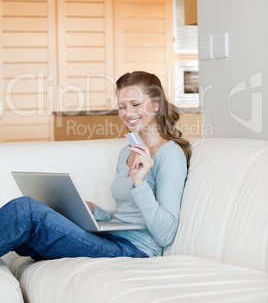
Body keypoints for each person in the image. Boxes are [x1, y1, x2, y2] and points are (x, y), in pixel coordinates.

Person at [0, 71, 191, 260]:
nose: (128, 113)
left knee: (27, 211)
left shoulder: (170, 154)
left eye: (136, 104)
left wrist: (139, 184)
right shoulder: (127, 151)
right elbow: (126, 218)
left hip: (134, 250)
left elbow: (166, 234)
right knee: (30, 223)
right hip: (108, 238)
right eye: (122, 106)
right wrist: (94, 211)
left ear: (156, 105)